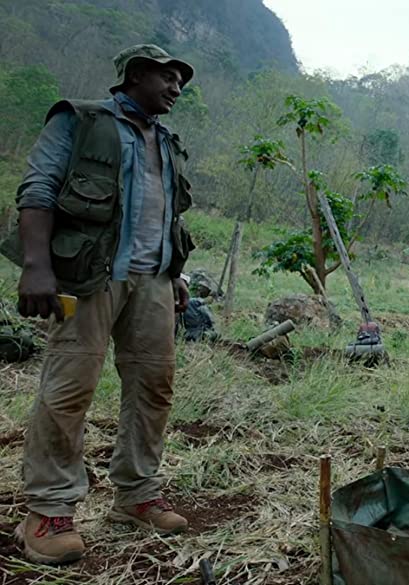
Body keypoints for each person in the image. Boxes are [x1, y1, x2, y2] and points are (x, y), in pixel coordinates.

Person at [3, 45, 197, 565]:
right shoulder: (79, 120)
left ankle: (136, 496)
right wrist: (37, 266)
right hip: (88, 278)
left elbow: (168, 215)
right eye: (167, 77)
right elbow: (38, 188)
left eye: (182, 80)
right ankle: (47, 510)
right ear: (135, 74)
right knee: (69, 388)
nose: (177, 87)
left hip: (152, 282)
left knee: (154, 387)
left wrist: (174, 276)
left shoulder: (168, 140)